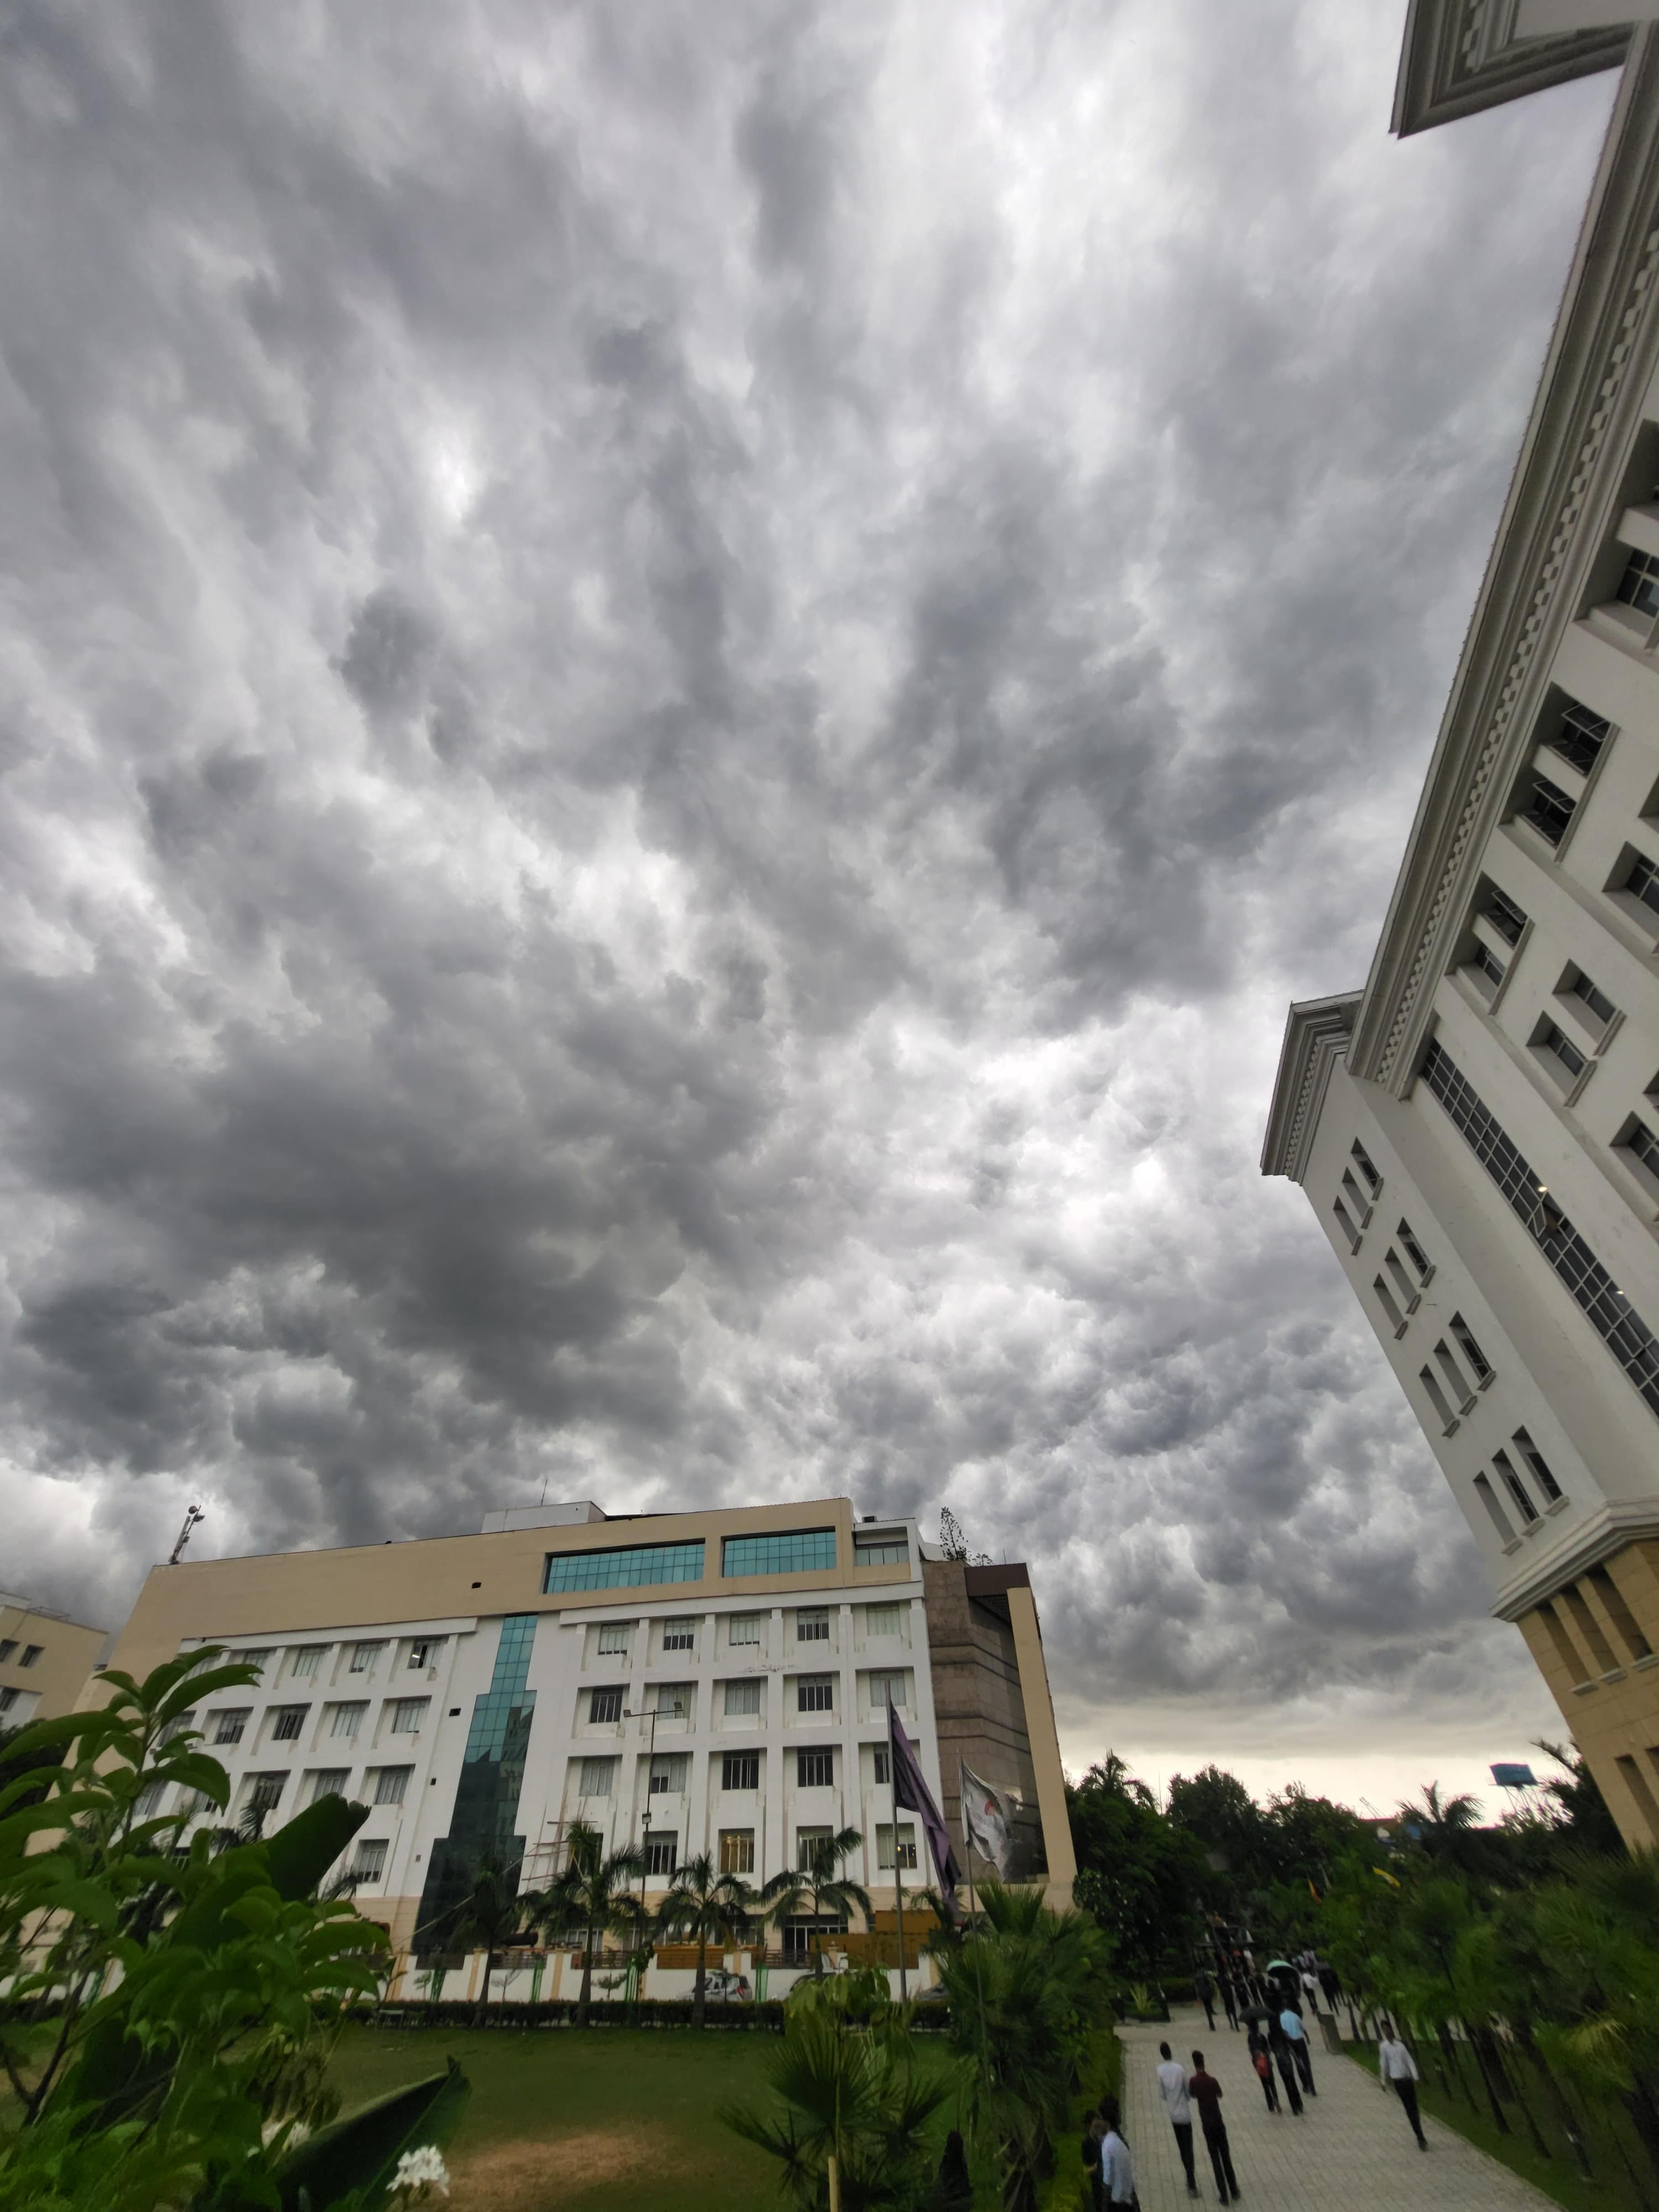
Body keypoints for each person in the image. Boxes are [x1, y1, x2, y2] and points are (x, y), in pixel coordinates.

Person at [1187, 2052, 1240, 2205]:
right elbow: (1220, 2094)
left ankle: (1224, 2195)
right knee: (1226, 2157)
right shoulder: (1212, 2081)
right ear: (1204, 2062)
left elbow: (1192, 2095)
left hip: (1207, 2125)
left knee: (1215, 2159)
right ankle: (1234, 2190)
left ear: (1194, 2064)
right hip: (1218, 2121)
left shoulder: (1193, 2081)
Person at [1156, 2040, 1199, 2198]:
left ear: (1162, 2054)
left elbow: (1162, 2095)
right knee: (1189, 2146)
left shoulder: (1160, 2071)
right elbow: (1188, 2091)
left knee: (1182, 2147)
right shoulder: (1180, 2069)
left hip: (1173, 2114)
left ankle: (1189, 2178)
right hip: (1185, 2114)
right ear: (1171, 2052)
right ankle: (1192, 2180)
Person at [1378, 2022, 1429, 2151]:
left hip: (1408, 2080)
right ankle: (1420, 2136)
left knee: (1414, 2107)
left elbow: (1409, 2060)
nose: (1387, 2032)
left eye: (1388, 2029)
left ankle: (1419, 2132)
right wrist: (1383, 2081)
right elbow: (1384, 2064)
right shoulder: (1384, 2047)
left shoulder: (1400, 2046)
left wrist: (1415, 2076)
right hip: (1398, 2081)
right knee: (1409, 2108)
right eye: (1384, 2030)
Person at [1267, 2012, 1304, 2116]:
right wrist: (1297, 2060)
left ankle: (1294, 2108)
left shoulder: (1270, 2035)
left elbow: (1271, 2049)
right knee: (1293, 2082)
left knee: (1287, 2084)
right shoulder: (1283, 2033)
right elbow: (1290, 2047)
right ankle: (1299, 2104)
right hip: (1288, 2060)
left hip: (1280, 2062)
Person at [1279, 2002, 1316, 2095]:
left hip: (1291, 2042)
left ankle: (1305, 2086)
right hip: (1300, 2041)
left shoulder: (1281, 2018)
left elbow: (1283, 2032)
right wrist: (1308, 2039)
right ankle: (1312, 2087)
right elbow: (1303, 2029)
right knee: (1307, 2064)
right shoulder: (1295, 2016)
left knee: (1298, 2063)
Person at [1100, 2117, 1136, 2209]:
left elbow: (1107, 2179)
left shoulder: (1107, 2145)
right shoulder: (1120, 2142)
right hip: (1127, 2198)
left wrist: (1104, 2203)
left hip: (1117, 2201)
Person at [1246, 2025, 1280, 2113]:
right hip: (1267, 2062)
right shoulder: (1262, 2037)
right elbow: (1268, 2049)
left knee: (1265, 2085)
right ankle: (1276, 2100)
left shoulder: (1250, 2038)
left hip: (1258, 2064)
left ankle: (1270, 2106)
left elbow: (1250, 2049)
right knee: (1272, 2083)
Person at [1081, 2112, 1107, 2211]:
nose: (1098, 2129)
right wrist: (1097, 2166)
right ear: (1089, 2126)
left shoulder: (1103, 2140)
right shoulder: (1087, 2144)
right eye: (1095, 2126)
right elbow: (1086, 2170)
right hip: (1098, 2187)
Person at [1195, 1967, 1217, 2033]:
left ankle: (1211, 2024)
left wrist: (1199, 1996)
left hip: (1202, 1994)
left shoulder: (1196, 1978)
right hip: (1208, 1994)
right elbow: (1209, 1984)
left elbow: (1197, 1987)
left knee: (1207, 2008)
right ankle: (1212, 2022)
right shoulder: (1205, 1977)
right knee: (1209, 2006)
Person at [1217, 1964, 1239, 2030]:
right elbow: (1235, 1984)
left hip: (1225, 1997)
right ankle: (1236, 2025)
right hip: (1230, 1996)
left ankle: (1231, 2024)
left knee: (1228, 2011)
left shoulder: (1219, 1980)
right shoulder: (1227, 1980)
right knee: (1233, 2011)